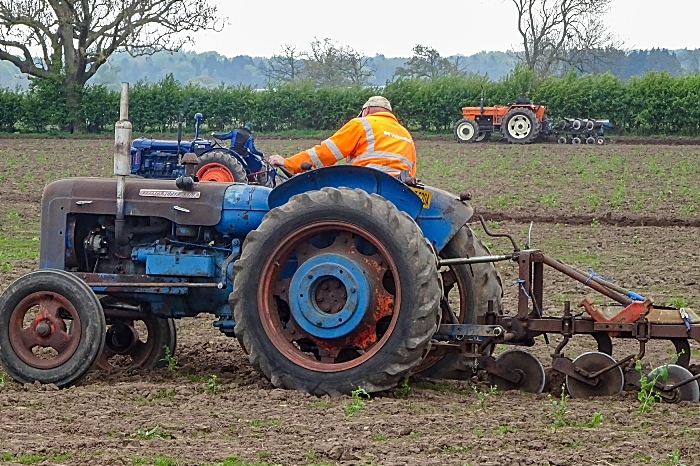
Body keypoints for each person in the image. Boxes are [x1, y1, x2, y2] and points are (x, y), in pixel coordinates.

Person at [268, 96, 416, 177]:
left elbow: (326, 153)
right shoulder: (405, 134)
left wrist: (289, 164)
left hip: (367, 182)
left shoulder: (362, 124)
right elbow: (412, 171)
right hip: (400, 186)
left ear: (366, 110)